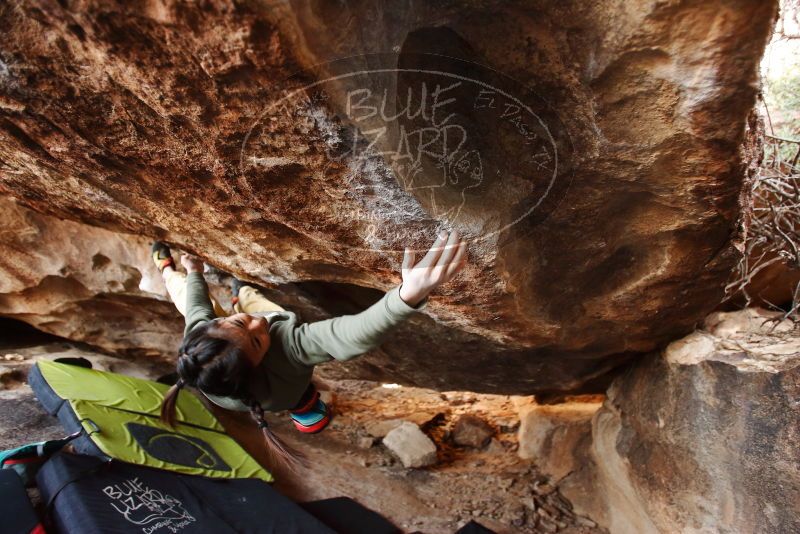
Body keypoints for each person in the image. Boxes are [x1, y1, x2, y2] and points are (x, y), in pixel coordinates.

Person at [156, 231, 468, 466]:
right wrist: (406, 296)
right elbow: (347, 336)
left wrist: (192, 271)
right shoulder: (287, 348)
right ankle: (241, 292)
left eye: (238, 324)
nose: (257, 326)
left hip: (248, 368)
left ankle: (168, 269)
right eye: (256, 341)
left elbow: (197, 307)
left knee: (184, 294)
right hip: (267, 356)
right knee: (261, 309)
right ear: (259, 364)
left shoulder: (204, 360)